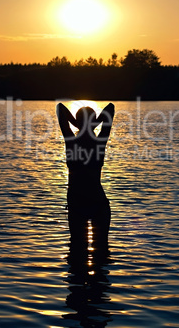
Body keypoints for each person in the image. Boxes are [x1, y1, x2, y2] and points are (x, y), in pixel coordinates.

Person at [56, 102, 115, 259]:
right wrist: (92, 124)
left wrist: (80, 124)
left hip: (87, 205)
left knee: (77, 255)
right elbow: (110, 108)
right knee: (100, 255)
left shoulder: (71, 141)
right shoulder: (99, 142)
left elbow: (60, 109)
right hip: (91, 205)